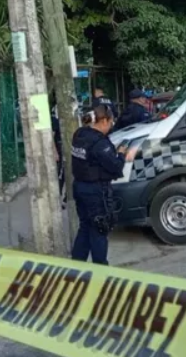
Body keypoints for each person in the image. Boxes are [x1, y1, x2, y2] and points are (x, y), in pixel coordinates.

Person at [70, 103, 126, 265]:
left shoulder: (79, 134)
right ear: (104, 121)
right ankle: (101, 269)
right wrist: (122, 155)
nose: (111, 126)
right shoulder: (100, 143)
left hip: (80, 187)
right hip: (96, 191)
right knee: (99, 229)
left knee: (85, 227)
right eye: (111, 123)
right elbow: (115, 167)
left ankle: (76, 265)